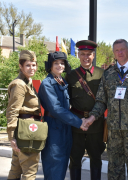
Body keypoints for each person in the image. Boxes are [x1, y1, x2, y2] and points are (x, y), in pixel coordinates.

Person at [83, 39, 128, 180]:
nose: (120, 52)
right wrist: (92, 117)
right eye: (117, 50)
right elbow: (101, 100)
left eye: (123, 49)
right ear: (114, 53)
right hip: (114, 131)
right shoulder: (108, 74)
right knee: (114, 169)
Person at [38, 51, 85, 180]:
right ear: (50, 66)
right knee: (54, 164)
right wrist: (80, 122)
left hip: (65, 127)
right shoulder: (47, 83)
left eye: (62, 63)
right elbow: (56, 109)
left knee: (63, 164)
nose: (60, 66)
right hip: (54, 128)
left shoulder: (61, 81)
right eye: (56, 63)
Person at [65, 40, 106, 180]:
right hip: (76, 124)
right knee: (75, 160)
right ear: (78, 55)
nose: (86, 57)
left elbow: (105, 99)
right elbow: (66, 100)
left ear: (93, 56)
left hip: (96, 124)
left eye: (89, 54)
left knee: (96, 159)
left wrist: (92, 118)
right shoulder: (71, 76)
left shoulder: (102, 74)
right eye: (83, 54)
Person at [6, 50, 41, 180]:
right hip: (25, 133)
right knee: (30, 171)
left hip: (24, 132)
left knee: (16, 170)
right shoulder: (19, 84)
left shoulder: (27, 82)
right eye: (28, 65)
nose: (32, 68)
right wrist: (11, 136)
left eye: (34, 64)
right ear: (20, 66)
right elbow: (12, 111)